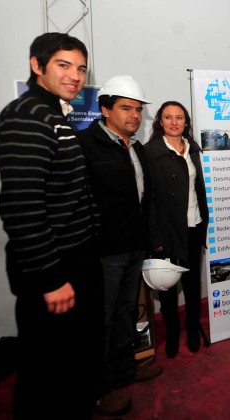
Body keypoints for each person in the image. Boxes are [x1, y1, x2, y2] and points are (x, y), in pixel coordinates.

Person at [0, 32, 103, 419]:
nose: (75, 76)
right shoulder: (28, 117)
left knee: (72, 366)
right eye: (63, 65)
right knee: (46, 373)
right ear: (36, 65)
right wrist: (51, 278)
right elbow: (22, 207)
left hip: (74, 260)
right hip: (54, 268)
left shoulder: (53, 114)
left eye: (81, 68)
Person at [76, 75, 162, 414]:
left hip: (133, 247)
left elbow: (142, 199)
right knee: (102, 321)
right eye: (126, 108)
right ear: (104, 108)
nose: (135, 116)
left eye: (139, 110)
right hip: (102, 253)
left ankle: (127, 368)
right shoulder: (84, 144)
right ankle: (100, 389)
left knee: (127, 312)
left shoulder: (136, 148)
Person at [146, 101, 209, 357]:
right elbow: (147, 199)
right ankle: (172, 333)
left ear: (186, 122)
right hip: (168, 232)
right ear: (160, 121)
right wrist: (155, 236)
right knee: (169, 290)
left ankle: (193, 330)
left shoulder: (193, 149)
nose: (174, 122)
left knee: (193, 285)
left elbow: (199, 189)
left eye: (179, 117)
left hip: (193, 226)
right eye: (168, 117)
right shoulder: (150, 152)